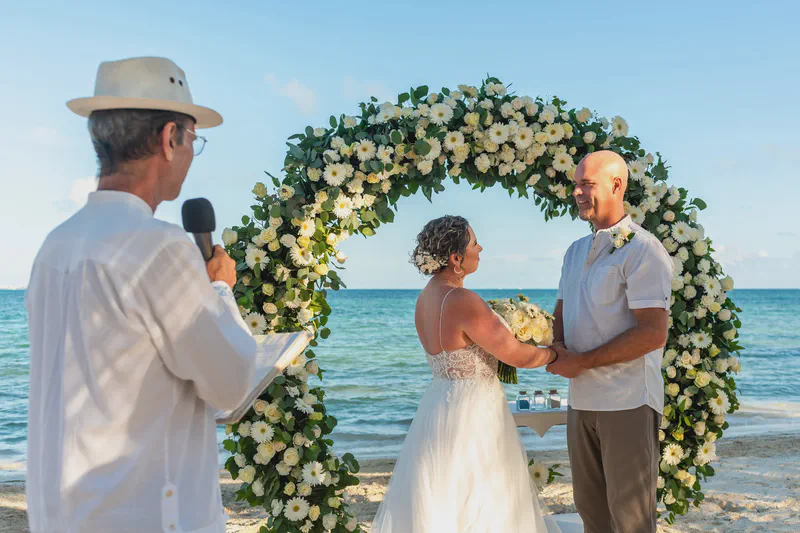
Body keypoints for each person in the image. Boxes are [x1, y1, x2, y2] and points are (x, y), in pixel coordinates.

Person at [25, 57, 257, 533]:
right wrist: (220, 289)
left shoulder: (55, 246)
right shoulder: (160, 247)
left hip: (64, 514)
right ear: (169, 139)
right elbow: (230, 383)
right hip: (146, 514)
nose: (193, 152)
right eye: (194, 139)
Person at [371, 215, 563, 533]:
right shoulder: (462, 300)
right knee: (484, 500)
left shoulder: (424, 299)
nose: (481, 248)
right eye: (475, 243)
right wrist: (554, 353)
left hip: (437, 409)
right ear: (456, 258)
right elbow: (514, 354)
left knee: (442, 499)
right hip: (475, 414)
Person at [547, 150, 673, 533]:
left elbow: (653, 332)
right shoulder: (573, 252)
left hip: (627, 401)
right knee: (591, 514)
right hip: (580, 402)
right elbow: (561, 316)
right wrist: (547, 350)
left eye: (587, 184)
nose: (578, 193)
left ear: (617, 185)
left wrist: (582, 362)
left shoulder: (643, 249)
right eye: (575, 185)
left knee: (631, 519)